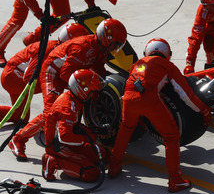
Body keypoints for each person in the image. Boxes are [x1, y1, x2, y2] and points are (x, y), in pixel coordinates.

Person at [9, 18, 127, 161]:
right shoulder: (82, 48)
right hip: (52, 73)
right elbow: (65, 74)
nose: (115, 49)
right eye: (115, 45)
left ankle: (68, 136)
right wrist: (86, 90)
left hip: (67, 74)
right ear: (106, 38)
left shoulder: (101, 49)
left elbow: (99, 70)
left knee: (79, 101)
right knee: (51, 112)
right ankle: (18, 139)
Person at [108, 38, 211, 192]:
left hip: (128, 97)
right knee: (171, 137)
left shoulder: (137, 64)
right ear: (167, 54)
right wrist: (203, 110)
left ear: (146, 53)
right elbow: (185, 94)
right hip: (149, 99)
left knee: (126, 128)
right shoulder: (167, 65)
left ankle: (114, 167)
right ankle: (175, 180)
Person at [1, 22, 89, 126]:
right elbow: (30, 77)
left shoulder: (60, 49)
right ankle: (49, 115)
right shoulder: (48, 50)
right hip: (12, 77)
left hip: (13, 75)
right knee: (55, 81)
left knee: (19, 117)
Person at [41, 69, 108, 182]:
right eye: (92, 92)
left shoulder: (74, 99)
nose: (94, 95)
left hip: (71, 140)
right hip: (59, 146)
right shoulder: (67, 108)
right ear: (83, 91)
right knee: (91, 173)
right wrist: (87, 138)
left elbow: (73, 127)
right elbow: (65, 137)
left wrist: (91, 131)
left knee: (105, 155)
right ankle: (52, 160)